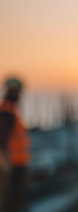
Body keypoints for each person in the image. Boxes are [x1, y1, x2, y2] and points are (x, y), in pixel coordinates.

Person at [0, 77, 31, 212]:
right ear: (12, 91)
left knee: (15, 200)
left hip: (16, 163)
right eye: (18, 91)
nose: (19, 94)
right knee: (9, 200)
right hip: (11, 165)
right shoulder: (6, 111)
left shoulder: (12, 109)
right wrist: (6, 163)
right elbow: (2, 138)